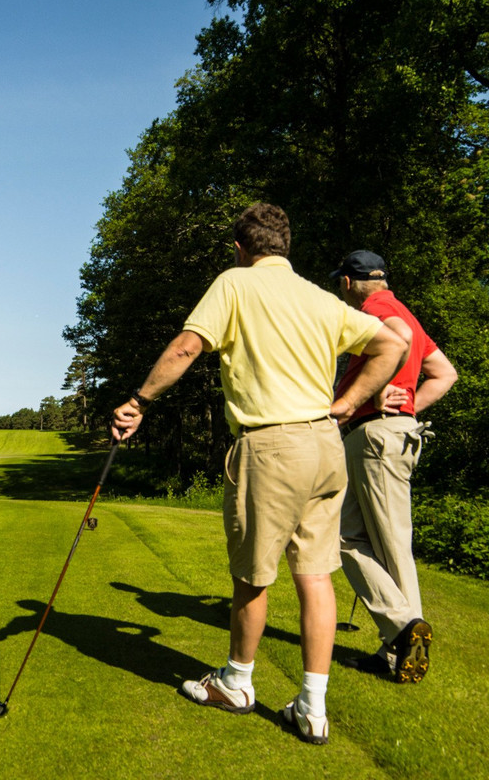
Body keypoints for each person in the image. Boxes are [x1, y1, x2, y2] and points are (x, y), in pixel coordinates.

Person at [111, 203, 407, 746]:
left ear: (240, 248)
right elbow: (394, 342)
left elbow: (185, 347)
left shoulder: (235, 283)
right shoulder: (320, 297)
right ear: (285, 246)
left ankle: (236, 683)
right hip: (325, 444)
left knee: (253, 574)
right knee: (315, 574)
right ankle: (313, 707)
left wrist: (138, 399)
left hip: (271, 446)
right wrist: (346, 404)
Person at [331, 250, 457, 683]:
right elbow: (445, 373)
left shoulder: (378, 309)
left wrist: (380, 395)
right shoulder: (404, 310)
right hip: (389, 433)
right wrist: (410, 406)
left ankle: (402, 632)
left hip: (375, 435)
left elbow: (397, 337)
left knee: (388, 544)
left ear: (347, 282)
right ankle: (397, 642)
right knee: (347, 537)